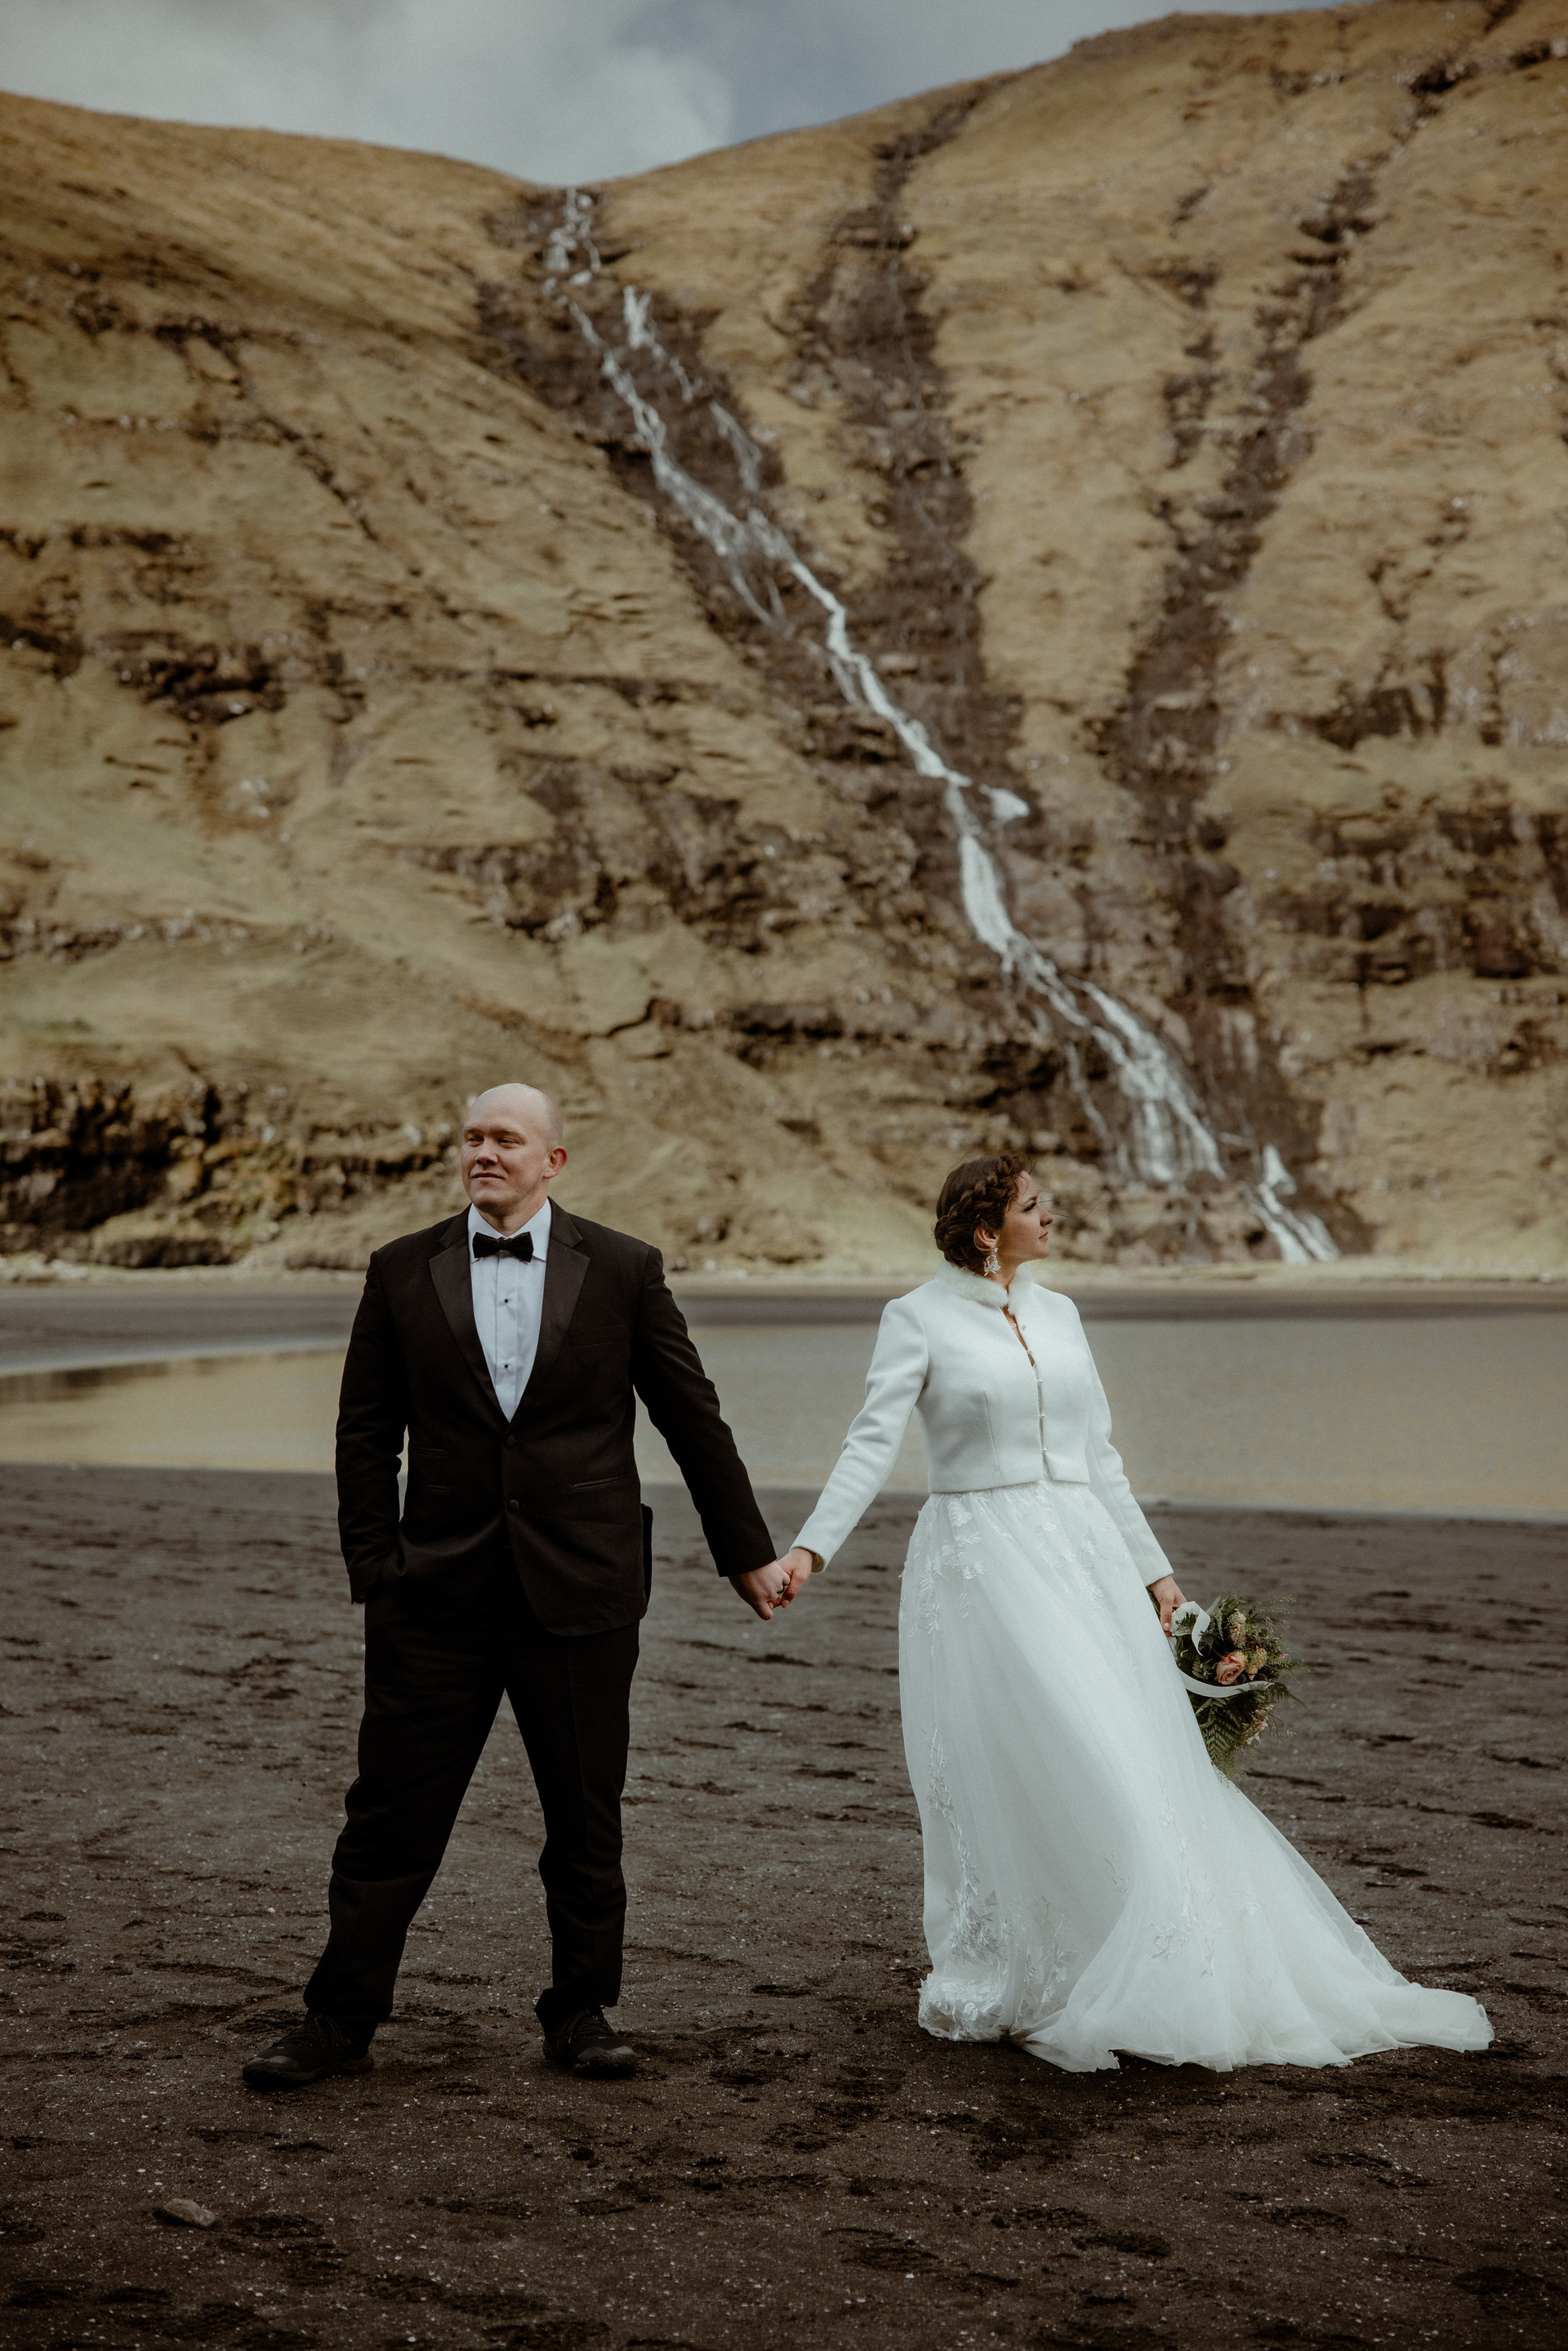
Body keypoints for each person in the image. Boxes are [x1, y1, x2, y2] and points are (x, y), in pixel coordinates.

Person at [764, 1153, 1491, 2073]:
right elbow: (870, 1443)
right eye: (1034, 1206)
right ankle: (1033, 1957)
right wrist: (809, 1549)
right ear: (986, 1230)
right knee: (1040, 1752)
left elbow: (1101, 1457)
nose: (1051, 1217)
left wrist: (1158, 1575)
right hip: (982, 1565)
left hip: (1086, 1555)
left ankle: (1152, 1952)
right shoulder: (915, 1319)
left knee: (1133, 1753)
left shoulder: (1062, 1314)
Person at [243, 1083, 793, 2091]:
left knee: (584, 1820)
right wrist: (376, 1568)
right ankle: (339, 2020)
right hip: (431, 1595)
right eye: (472, 1137)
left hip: (582, 1591)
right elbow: (364, 1432)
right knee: (389, 1818)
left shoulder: (624, 1268)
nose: (484, 1152)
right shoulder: (401, 1268)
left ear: (554, 1160)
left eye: (506, 1138)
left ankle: (580, 2011)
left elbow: (692, 1418)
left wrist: (744, 1553)